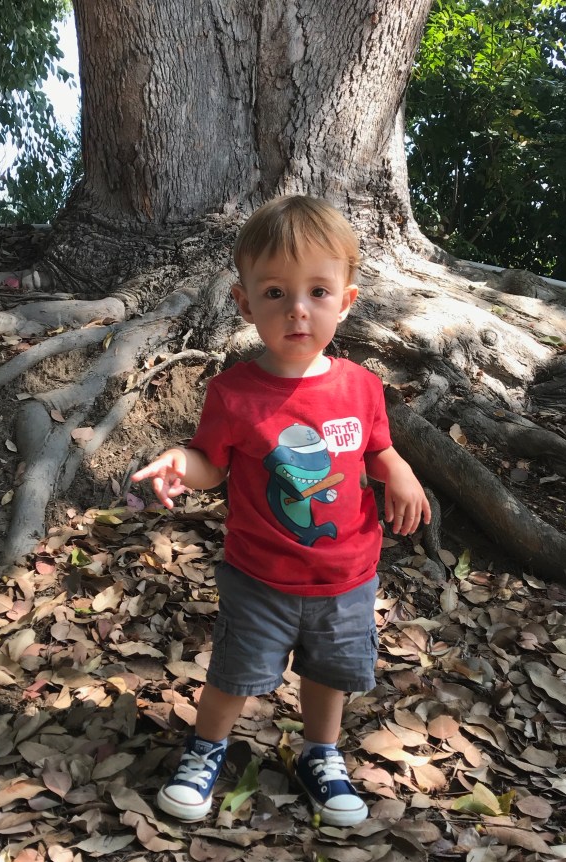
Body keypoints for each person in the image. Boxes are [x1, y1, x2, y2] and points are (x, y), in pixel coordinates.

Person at [131, 195, 431, 827]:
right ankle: (206, 748)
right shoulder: (235, 393)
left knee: (330, 673)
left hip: (345, 575)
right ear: (245, 304)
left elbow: (376, 450)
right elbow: (214, 464)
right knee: (235, 673)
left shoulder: (360, 386)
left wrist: (399, 473)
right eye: (274, 293)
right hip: (259, 575)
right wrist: (183, 465)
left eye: (318, 291)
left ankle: (321, 755)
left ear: (345, 301)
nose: (298, 309)